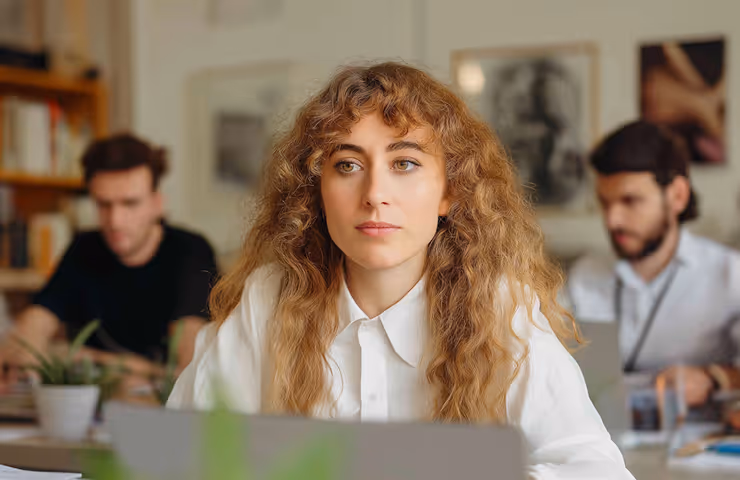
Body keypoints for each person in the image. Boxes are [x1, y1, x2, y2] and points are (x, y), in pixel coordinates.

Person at [167, 62, 634, 479]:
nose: (374, 193)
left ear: (449, 192)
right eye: (347, 164)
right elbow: (179, 453)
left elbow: (595, 468)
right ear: (317, 191)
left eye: (405, 163)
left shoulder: (499, 310)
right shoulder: (268, 301)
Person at [0, 134, 219, 382]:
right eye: (104, 205)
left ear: (157, 203)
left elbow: (186, 370)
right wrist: (20, 351)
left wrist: (94, 359)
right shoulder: (84, 248)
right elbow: (31, 331)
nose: (115, 221)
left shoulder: (190, 251)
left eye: (130, 204)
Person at [567, 121, 740, 407]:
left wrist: (713, 378)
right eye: (605, 203)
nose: (612, 220)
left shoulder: (730, 275)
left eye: (630, 200)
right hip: (604, 440)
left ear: (677, 196)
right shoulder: (583, 277)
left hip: (695, 443)